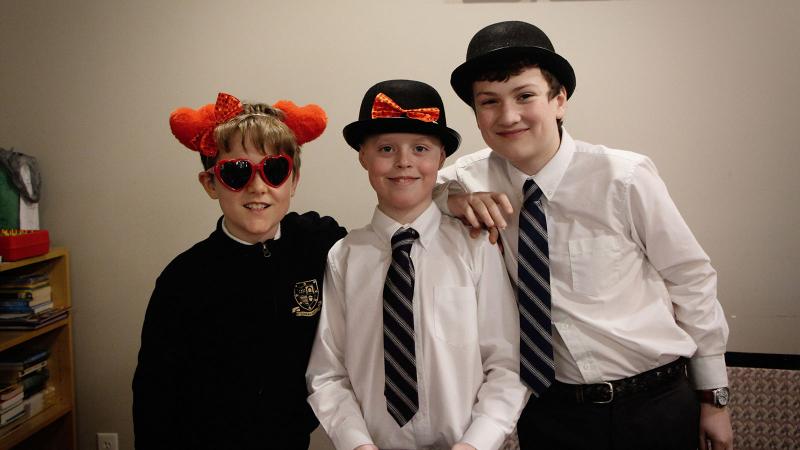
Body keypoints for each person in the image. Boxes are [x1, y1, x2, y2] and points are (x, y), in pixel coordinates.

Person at [438, 21, 733, 450]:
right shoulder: (469, 177)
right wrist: (450, 201)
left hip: (653, 402)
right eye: (489, 102)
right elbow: (413, 188)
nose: (508, 116)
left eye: (525, 96)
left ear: (559, 100)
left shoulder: (624, 177)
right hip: (551, 412)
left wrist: (715, 399)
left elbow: (691, 278)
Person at [306, 80, 527, 450]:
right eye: (386, 149)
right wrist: (357, 444)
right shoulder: (343, 256)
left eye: (420, 148)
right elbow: (328, 373)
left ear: (441, 160)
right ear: (363, 156)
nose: (403, 162)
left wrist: (476, 443)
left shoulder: (476, 244)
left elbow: (506, 362)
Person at [132, 92, 346, 449]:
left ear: (293, 181)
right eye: (237, 172)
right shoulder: (183, 280)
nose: (258, 187)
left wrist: (446, 198)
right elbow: (154, 397)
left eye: (274, 170)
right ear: (211, 183)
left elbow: (386, 239)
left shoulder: (318, 243)